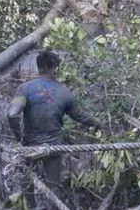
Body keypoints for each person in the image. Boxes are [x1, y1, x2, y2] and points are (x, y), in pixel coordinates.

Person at [7, 51, 102, 198]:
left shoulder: (24, 89)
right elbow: (81, 116)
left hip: (29, 144)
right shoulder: (64, 93)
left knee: (26, 182)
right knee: (54, 185)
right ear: (54, 68)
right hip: (54, 146)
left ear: (39, 67)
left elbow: (12, 114)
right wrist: (98, 124)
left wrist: (19, 138)